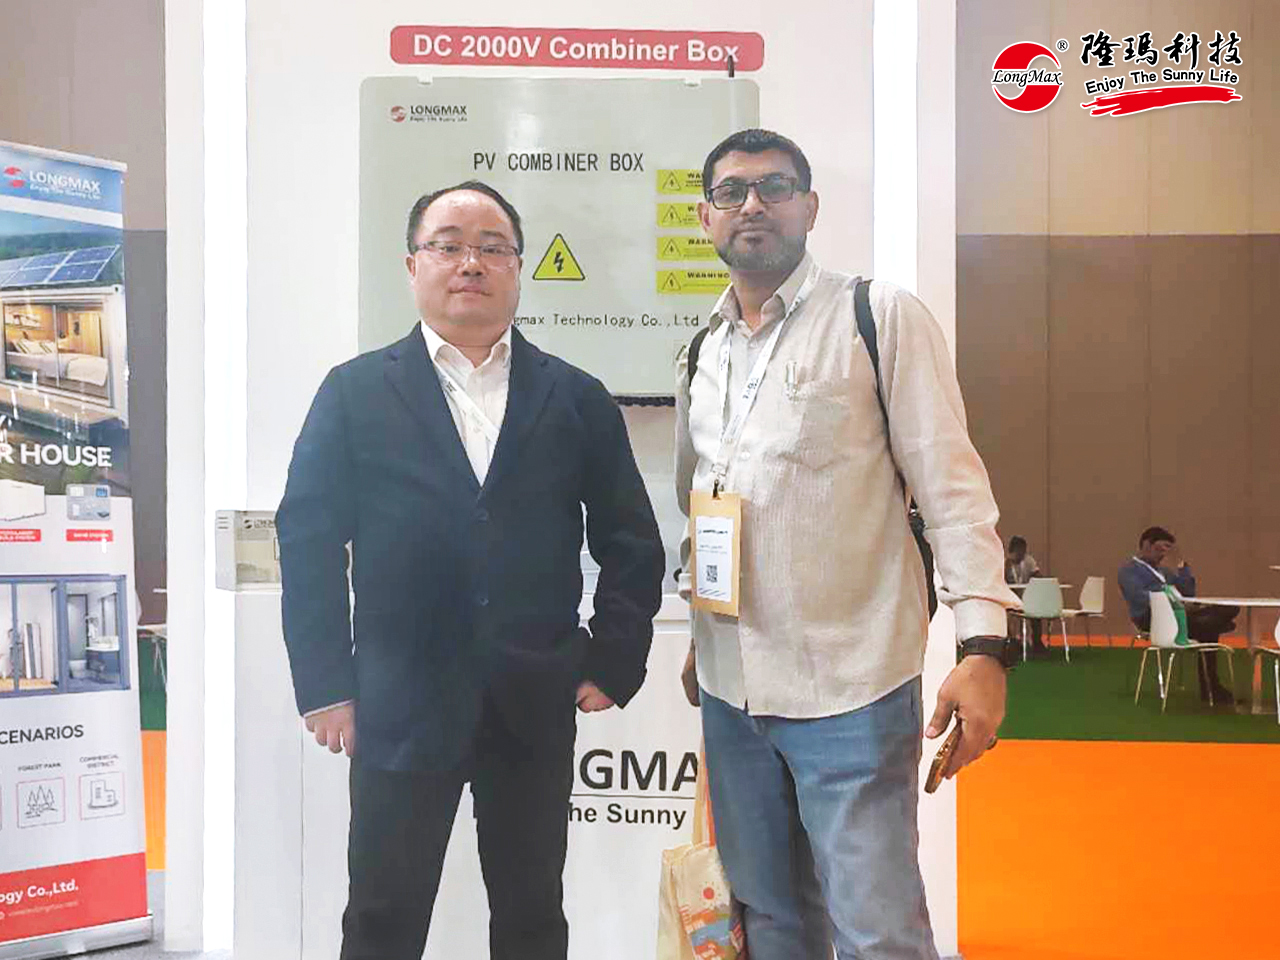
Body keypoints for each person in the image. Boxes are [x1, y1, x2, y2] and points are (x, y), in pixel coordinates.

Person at [276, 181, 664, 960]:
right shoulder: (355, 391)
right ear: (412, 265)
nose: (470, 263)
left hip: (533, 697)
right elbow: (307, 539)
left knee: (532, 913)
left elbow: (631, 539)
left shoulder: (575, 397)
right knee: (382, 914)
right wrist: (324, 684)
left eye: (492, 247)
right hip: (398, 697)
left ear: (518, 267)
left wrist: (614, 658)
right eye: (448, 245)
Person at [674, 129, 1020, 960]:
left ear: (810, 207)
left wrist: (984, 647)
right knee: (771, 923)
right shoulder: (701, 351)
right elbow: (704, 505)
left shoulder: (877, 317)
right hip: (730, 691)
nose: (752, 205)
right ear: (706, 218)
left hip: (850, 690)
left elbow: (952, 491)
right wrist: (701, 630)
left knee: (876, 930)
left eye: (774, 187)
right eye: (730, 192)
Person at [1118, 526, 1237, 704]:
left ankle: (1210, 625)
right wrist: (1169, 598)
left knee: (1228, 609)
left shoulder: (1164, 572)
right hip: (1151, 618)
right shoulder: (1129, 570)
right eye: (1159, 549)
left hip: (1179, 615)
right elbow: (1138, 597)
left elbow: (1188, 591)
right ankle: (1211, 687)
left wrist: (1180, 564)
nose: (1162, 555)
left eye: (1166, 551)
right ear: (1146, 545)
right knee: (1210, 628)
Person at [1005, 535, 1047, 655]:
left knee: (1036, 613)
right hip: (1010, 598)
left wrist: (1034, 577)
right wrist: (1006, 568)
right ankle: (1011, 642)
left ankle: (1037, 642)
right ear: (1011, 551)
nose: (1021, 554)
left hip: (1027, 597)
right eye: (1018, 551)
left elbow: (1038, 576)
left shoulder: (1029, 561)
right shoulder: (1005, 563)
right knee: (1005, 614)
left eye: (1023, 551)